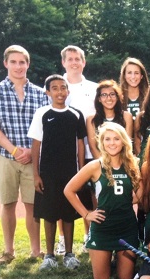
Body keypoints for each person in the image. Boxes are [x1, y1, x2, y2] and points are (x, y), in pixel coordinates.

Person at [0, 45, 48, 264]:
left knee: (32, 205)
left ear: (28, 64)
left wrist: (31, 151)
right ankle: (8, 251)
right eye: (14, 62)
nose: (18, 66)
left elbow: (46, 127)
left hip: (33, 157)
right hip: (5, 156)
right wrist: (14, 149)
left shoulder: (40, 94)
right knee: (8, 203)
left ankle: (35, 250)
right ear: (5, 63)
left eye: (22, 62)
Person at [64, 122, 141, 279]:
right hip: (103, 226)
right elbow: (69, 190)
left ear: (123, 142)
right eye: (107, 139)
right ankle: (108, 260)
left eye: (116, 139)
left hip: (127, 226)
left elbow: (138, 196)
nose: (112, 143)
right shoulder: (95, 166)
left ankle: (116, 261)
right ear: (102, 142)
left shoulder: (133, 164)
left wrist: (124, 201)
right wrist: (86, 214)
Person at [28, 74, 86, 270]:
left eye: (63, 88)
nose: (60, 91)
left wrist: (80, 173)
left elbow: (80, 144)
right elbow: (36, 146)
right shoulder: (42, 113)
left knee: (69, 214)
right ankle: (50, 256)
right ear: (48, 92)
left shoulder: (76, 115)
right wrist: (36, 174)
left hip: (70, 173)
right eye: (55, 88)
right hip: (48, 174)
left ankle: (69, 254)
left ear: (68, 91)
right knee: (49, 214)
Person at [61, 45, 98, 253]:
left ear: (84, 62)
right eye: (70, 59)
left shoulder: (94, 88)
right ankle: (61, 239)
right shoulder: (56, 86)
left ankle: (88, 236)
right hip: (65, 153)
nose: (74, 62)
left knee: (90, 196)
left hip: (90, 151)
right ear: (63, 62)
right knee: (64, 194)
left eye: (78, 59)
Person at [87, 80, 133, 158]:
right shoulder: (91, 119)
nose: (109, 98)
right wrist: (104, 165)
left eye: (112, 94)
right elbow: (93, 147)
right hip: (101, 163)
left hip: (122, 162)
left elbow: (127, 145)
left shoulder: (126, 116)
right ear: (99, 99)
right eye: (104, 95)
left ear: (117, 97)